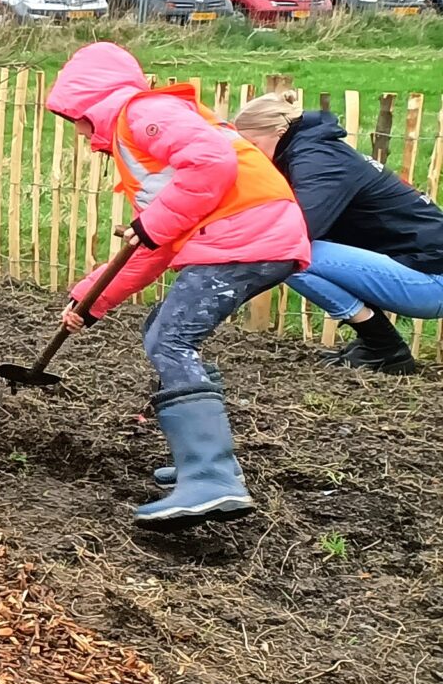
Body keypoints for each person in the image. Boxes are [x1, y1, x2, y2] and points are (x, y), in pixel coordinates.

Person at [46, 45, 310, 528]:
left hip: (246, 236)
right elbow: (155, 243)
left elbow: (210, 162)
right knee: (163, 332)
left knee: (171, 339)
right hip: (246, 235)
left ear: (88, 104)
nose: (81, 135)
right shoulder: (142, 150)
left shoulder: (145, 114)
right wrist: (90, 300)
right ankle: (201, 463)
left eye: (75, 121)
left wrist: (153, 223)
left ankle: (212, 477)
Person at [231, 90, 442, 376]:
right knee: (287, 248)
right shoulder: (312, 150)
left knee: (289, 252)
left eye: (253, 145)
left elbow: (296, 231)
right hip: (420, 268)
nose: (251, 156)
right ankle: (378, 342)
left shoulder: (319, 161)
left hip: (432, 280)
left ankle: (384, 346)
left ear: (280, 131)